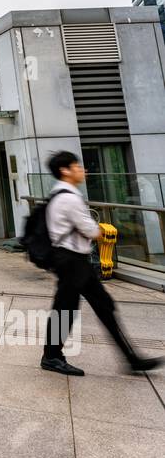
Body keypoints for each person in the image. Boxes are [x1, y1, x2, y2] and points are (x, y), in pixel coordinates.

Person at [41, 151, 163, 376]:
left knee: (103, 306)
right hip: (71, 261)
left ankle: (131, 358)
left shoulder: (60, 194)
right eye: (77, 166)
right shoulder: (68, 197)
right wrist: (96, 231)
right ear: (65, 171)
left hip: (75, 260)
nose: (82, 170)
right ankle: (51, 357)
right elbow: (91, 230)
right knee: (65, 309)